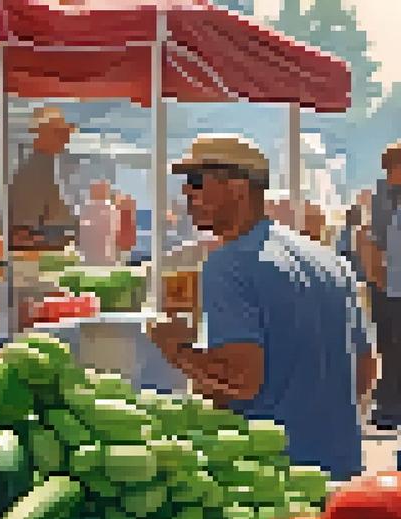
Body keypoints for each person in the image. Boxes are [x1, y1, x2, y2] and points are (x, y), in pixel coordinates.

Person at [148, 135, 376, 481]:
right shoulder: (331, 260)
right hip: (341, 471)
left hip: (272, 478)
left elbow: (241, 379)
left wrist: (175, 349)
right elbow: (365, 369)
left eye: (197, 183)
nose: (188, 196)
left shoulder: (228, 264)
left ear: (238, 187)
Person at [365, 143, 401, 431]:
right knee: (392, 344)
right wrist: (380, 281)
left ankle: (395, 405)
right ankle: (388, 408)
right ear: (396, 166)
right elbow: (373, 242)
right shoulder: (383, 198)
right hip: (389, 284)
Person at [9, 106, 78, 251]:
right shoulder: (33, 172)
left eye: (65, 133)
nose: (66, 140)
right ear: (42, 135)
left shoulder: (48, 167)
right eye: (60, 133)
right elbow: (21, 235)